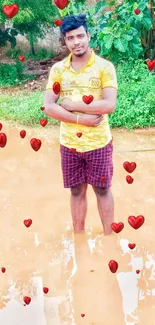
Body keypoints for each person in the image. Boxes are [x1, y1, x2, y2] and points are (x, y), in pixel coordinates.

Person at [43, 13, 118, 235]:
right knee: (76, 191)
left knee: (103, 189)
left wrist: (72, 104)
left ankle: (108, 236)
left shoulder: (105, 67)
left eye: (80, 36)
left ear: (88, 36)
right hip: (70, 144)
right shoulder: (58, 70)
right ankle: (78, 238)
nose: (76, 42)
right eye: (70, 38)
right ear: (65, 42)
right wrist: (81, 119)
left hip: (99, 143)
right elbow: (49, 106)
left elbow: (109, 105)